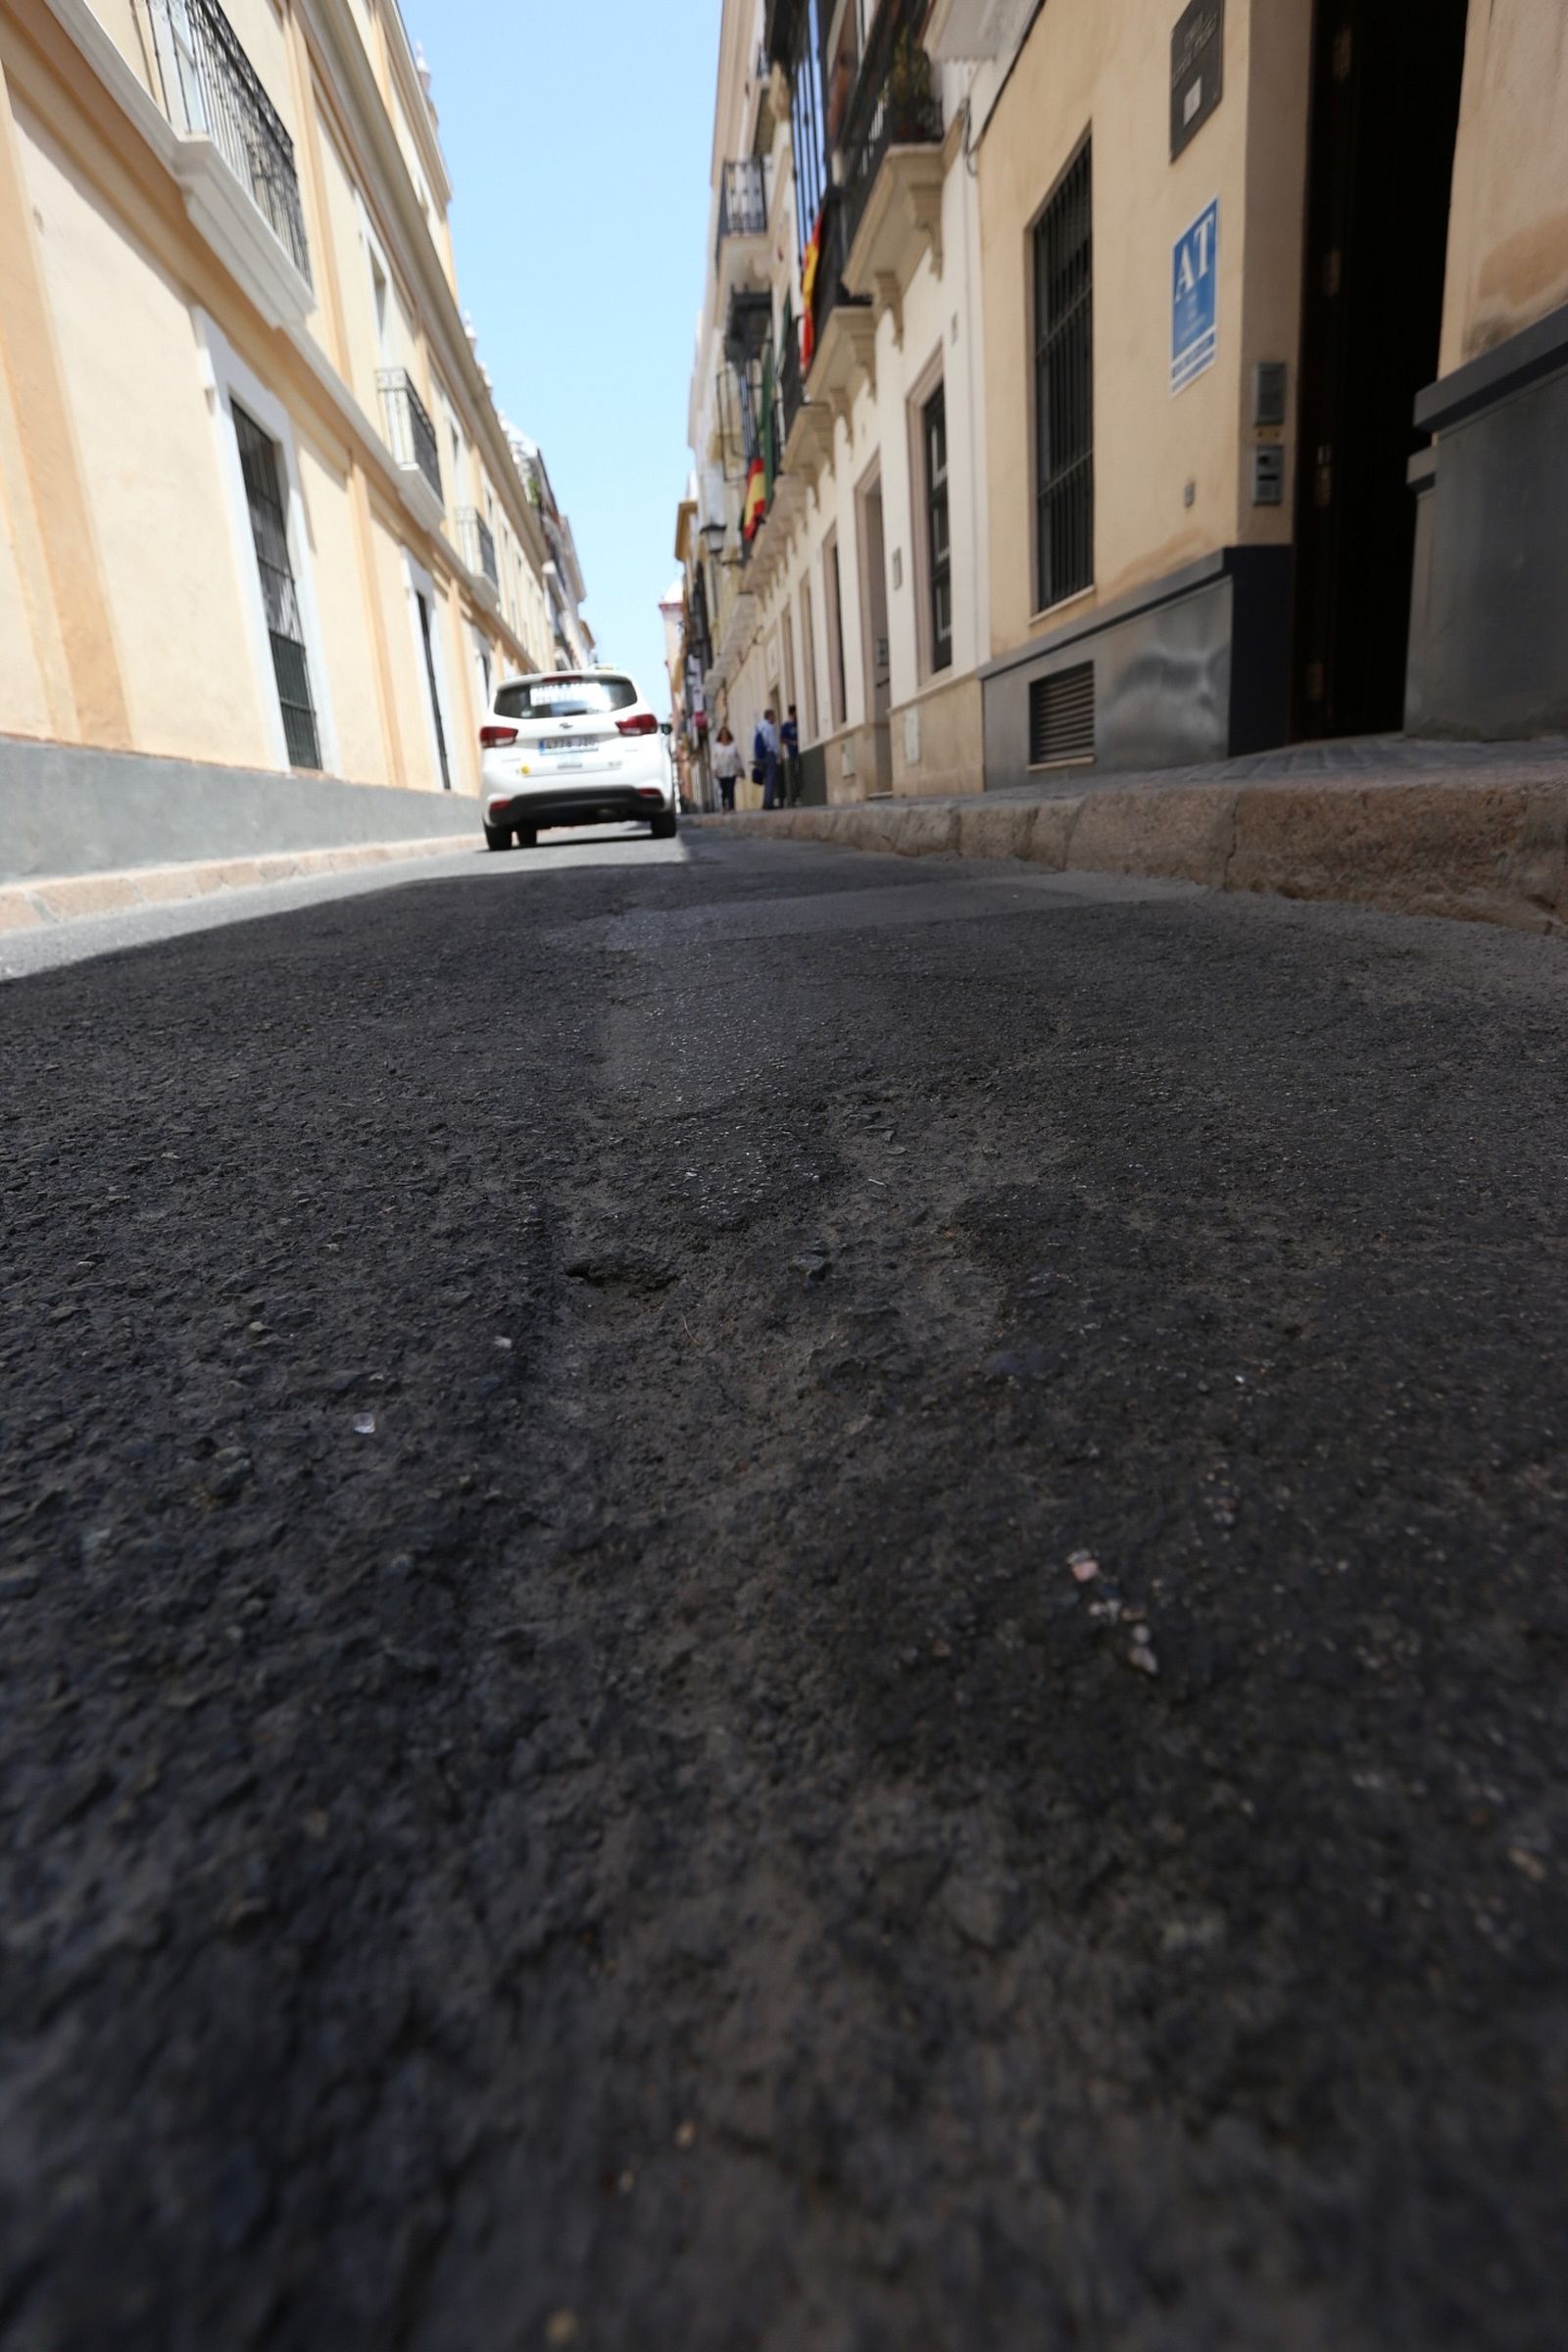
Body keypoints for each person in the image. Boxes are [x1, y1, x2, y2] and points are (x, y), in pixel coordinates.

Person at [753, 708, 781, 810]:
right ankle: (769, 803)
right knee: (771, 779)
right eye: (774, 716)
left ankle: (765, 802)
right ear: (770, 716)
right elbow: (773, 743)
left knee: (766, 779)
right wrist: (778, 754)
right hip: (769, 754)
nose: (775, 718)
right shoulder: (769, 727)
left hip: (760, 755)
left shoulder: (758, 727)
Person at [710, 724, 742, 813]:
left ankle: (732, 807)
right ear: (720, 735)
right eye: (723, 734)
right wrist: (714, 769)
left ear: (728, 735)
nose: (724, 736)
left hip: (732, 769)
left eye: (726, 734)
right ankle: (724, 806)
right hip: (721, 771)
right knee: (724, 789)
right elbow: (713, 759)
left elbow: (737, 757)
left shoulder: (733, 745)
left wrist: (740, 768)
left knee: (731, 789)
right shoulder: (716, 746)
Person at [781, 705, 802, 808]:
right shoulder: (786, 726)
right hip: (792, 752)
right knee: (793, 776)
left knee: (799, 775)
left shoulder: (798, 723)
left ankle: (797, 796)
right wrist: (792, 742)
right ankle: (792, 799)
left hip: (799, 752)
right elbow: (782, 739)